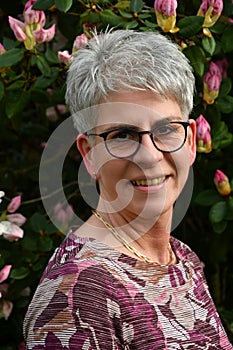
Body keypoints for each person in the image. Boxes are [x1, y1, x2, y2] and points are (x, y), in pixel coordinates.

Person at [23, 29, 233, 349]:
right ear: (88, 154)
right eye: (122, 135)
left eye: (165, 129)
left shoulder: (183, 259)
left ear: (190, 142)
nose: (149, 156)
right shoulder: (77, 295)